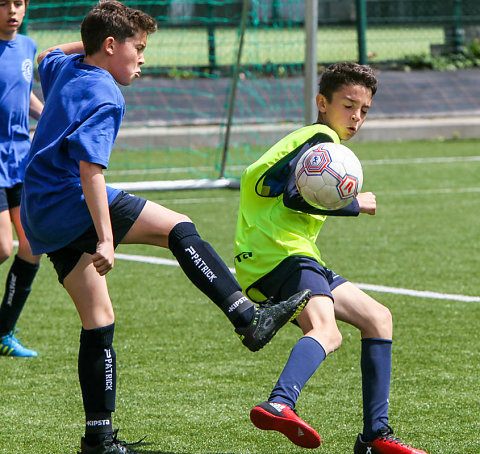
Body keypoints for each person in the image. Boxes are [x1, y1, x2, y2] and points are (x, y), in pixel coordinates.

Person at [20, 2, 310, 453]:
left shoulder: (66, 67)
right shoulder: (105, 95)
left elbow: (47, 53)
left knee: (99, 320)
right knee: (178, 227)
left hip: (38, 211)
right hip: (69, 200)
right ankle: (246, 316)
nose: (143, 58)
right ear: (112, 46)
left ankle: (98, 437)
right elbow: (90, 172)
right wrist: (106, 237)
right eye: (138, 47)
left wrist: (98, 41)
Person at [234, 62, 428, 453]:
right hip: (279, 254)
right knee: (327, 331)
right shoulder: (321, 138)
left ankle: (375, 437)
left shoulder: (317, 142)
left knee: (377, 318)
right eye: (348, 105)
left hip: (289, 254)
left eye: (364, 110)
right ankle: (280, 403)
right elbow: (292, 194)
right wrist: (354, 204)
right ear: (322, 103)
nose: (356, 117)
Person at [0, 0, 43, 357]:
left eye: (18, 3)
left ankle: (4, 332)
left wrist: (46, 115)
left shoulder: (28, 47)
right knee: (2, 246)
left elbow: (21, 93)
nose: (12, 11)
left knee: (31, 247)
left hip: (20, 157)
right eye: (2, 4)